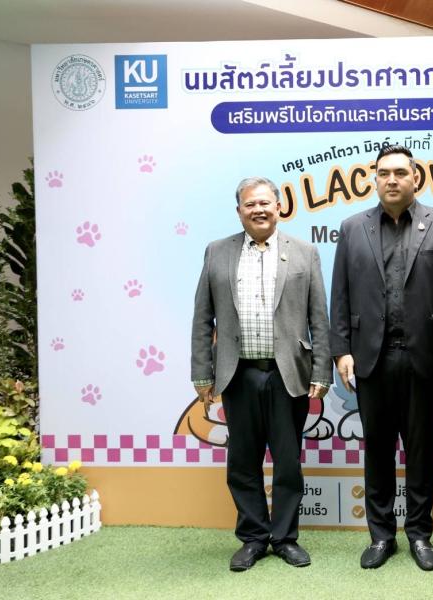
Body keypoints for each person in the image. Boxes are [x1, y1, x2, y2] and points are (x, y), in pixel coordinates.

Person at [330, 145, 433, 570]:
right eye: (384, 173)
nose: (392, 180)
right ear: (374, 179)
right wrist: (341, 350)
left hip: (424, 357)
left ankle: (420, 535)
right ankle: (381, 536)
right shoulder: (352, 228)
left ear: (415, 178)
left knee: (421, 451)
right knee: (377, 450)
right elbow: (340, 295)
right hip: (370, 359)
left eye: (400, 173)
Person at [191, 176, 331, 572]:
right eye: (250, 204)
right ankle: (253, 537)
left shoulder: (304, 252)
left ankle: (285, 538)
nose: (259, 209)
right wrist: (202, 373)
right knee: (242, 462)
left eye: (265, 202)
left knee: (288, 462)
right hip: (237, 374)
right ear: (239, 211)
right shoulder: (217, 251)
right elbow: (202, 317)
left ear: (279, 207)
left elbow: (319, 319)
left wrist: (322, 370)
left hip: (288, 375)